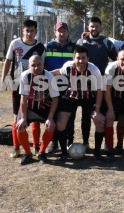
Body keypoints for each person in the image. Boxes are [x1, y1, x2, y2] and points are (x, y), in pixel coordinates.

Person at [52, 46, 106, 161]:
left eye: (83, 58)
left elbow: (100, 91)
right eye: (78, 58)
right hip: (71, 96)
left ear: (88, 59)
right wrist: (44, 74)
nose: (81, 61)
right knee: (60, 123)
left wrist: (97, 111)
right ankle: (64, 152)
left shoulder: (94, 70)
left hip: (89, 98)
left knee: (99, 122)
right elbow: (58, 72)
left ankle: (97, 153)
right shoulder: (68, 66)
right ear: (73, 58)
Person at [1, 19, 45, 159]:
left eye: (32, 31)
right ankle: (16, 147)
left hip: (35, 85)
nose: (30, 33)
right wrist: (3, 79)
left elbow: (43, 67)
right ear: (22, 30)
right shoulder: (15, 44)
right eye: (27, 31)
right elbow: (8, 62)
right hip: (17, 84)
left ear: (36, 31)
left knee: (35, 117)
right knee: (17, 116)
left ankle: (37, 146)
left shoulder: (40, 47)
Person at [15, 55, 59, 165]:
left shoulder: (49, 77)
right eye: (33, 65)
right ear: (29, 66)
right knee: (20, 127)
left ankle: (41, 152)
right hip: (28, 107)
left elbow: (55, 98)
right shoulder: (25, 76)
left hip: (44, 107)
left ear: (43, 64)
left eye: (38, 64)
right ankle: (28, 153)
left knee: (51, 126)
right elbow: (23, 99)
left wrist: (50, 118)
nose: (36, 68)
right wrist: (23, 118)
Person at [44, 22, 77, 154]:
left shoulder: (74, 47)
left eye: (64, 31)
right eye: (60, 31)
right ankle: (54, 142)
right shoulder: (48, 47)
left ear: (68, 32)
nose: (62, 33)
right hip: (52, 86)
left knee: (70, 115)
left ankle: (70, 140)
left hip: (70, 87)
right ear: (55, 32)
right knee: (54, 114)